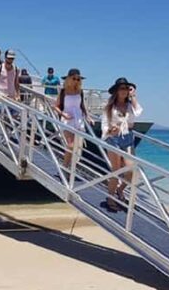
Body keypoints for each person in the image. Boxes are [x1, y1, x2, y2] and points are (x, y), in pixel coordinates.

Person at [101, 77, 143, 211]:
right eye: (122, 88)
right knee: (117, 169)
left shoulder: (130, 105)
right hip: (113, 138)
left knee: (131, 169)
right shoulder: (109, 107)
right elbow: (104, 125)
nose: (124, 91)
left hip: (128, 137)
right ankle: (110, 196)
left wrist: (134, 96)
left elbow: (139, 112)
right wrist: (110, 129)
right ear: (117, 91)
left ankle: (120, 190)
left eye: (127, 88)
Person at [54, 68, 91, 170]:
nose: (76, 81)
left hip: (78, 119)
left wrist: (88, 116)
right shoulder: (63, 91)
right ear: (69, 79)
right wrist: (63, 114)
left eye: (78, 79)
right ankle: (65, 166)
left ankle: (69, 167)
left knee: (75, 147)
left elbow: (82, 105)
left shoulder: (80, 91)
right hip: (67, 119)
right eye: (74, 78)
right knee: (71, 145)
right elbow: (56, 106)